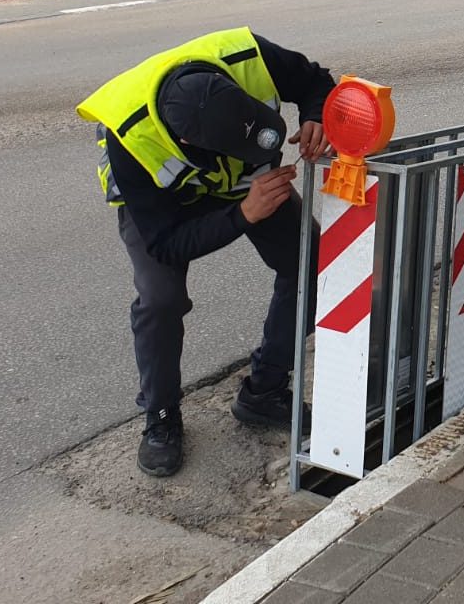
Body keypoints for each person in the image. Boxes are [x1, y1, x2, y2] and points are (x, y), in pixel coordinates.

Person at [77, 27, 334, 477]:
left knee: (311, 260)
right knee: (161, 300)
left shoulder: (247, 56)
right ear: (192, 146)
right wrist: (243, 214)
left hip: (240, 185)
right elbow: (165, 242)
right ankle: (160, 416)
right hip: (161, 203)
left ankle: (265, 391)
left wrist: (317, 115)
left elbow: (316, 81)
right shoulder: (131, 138)